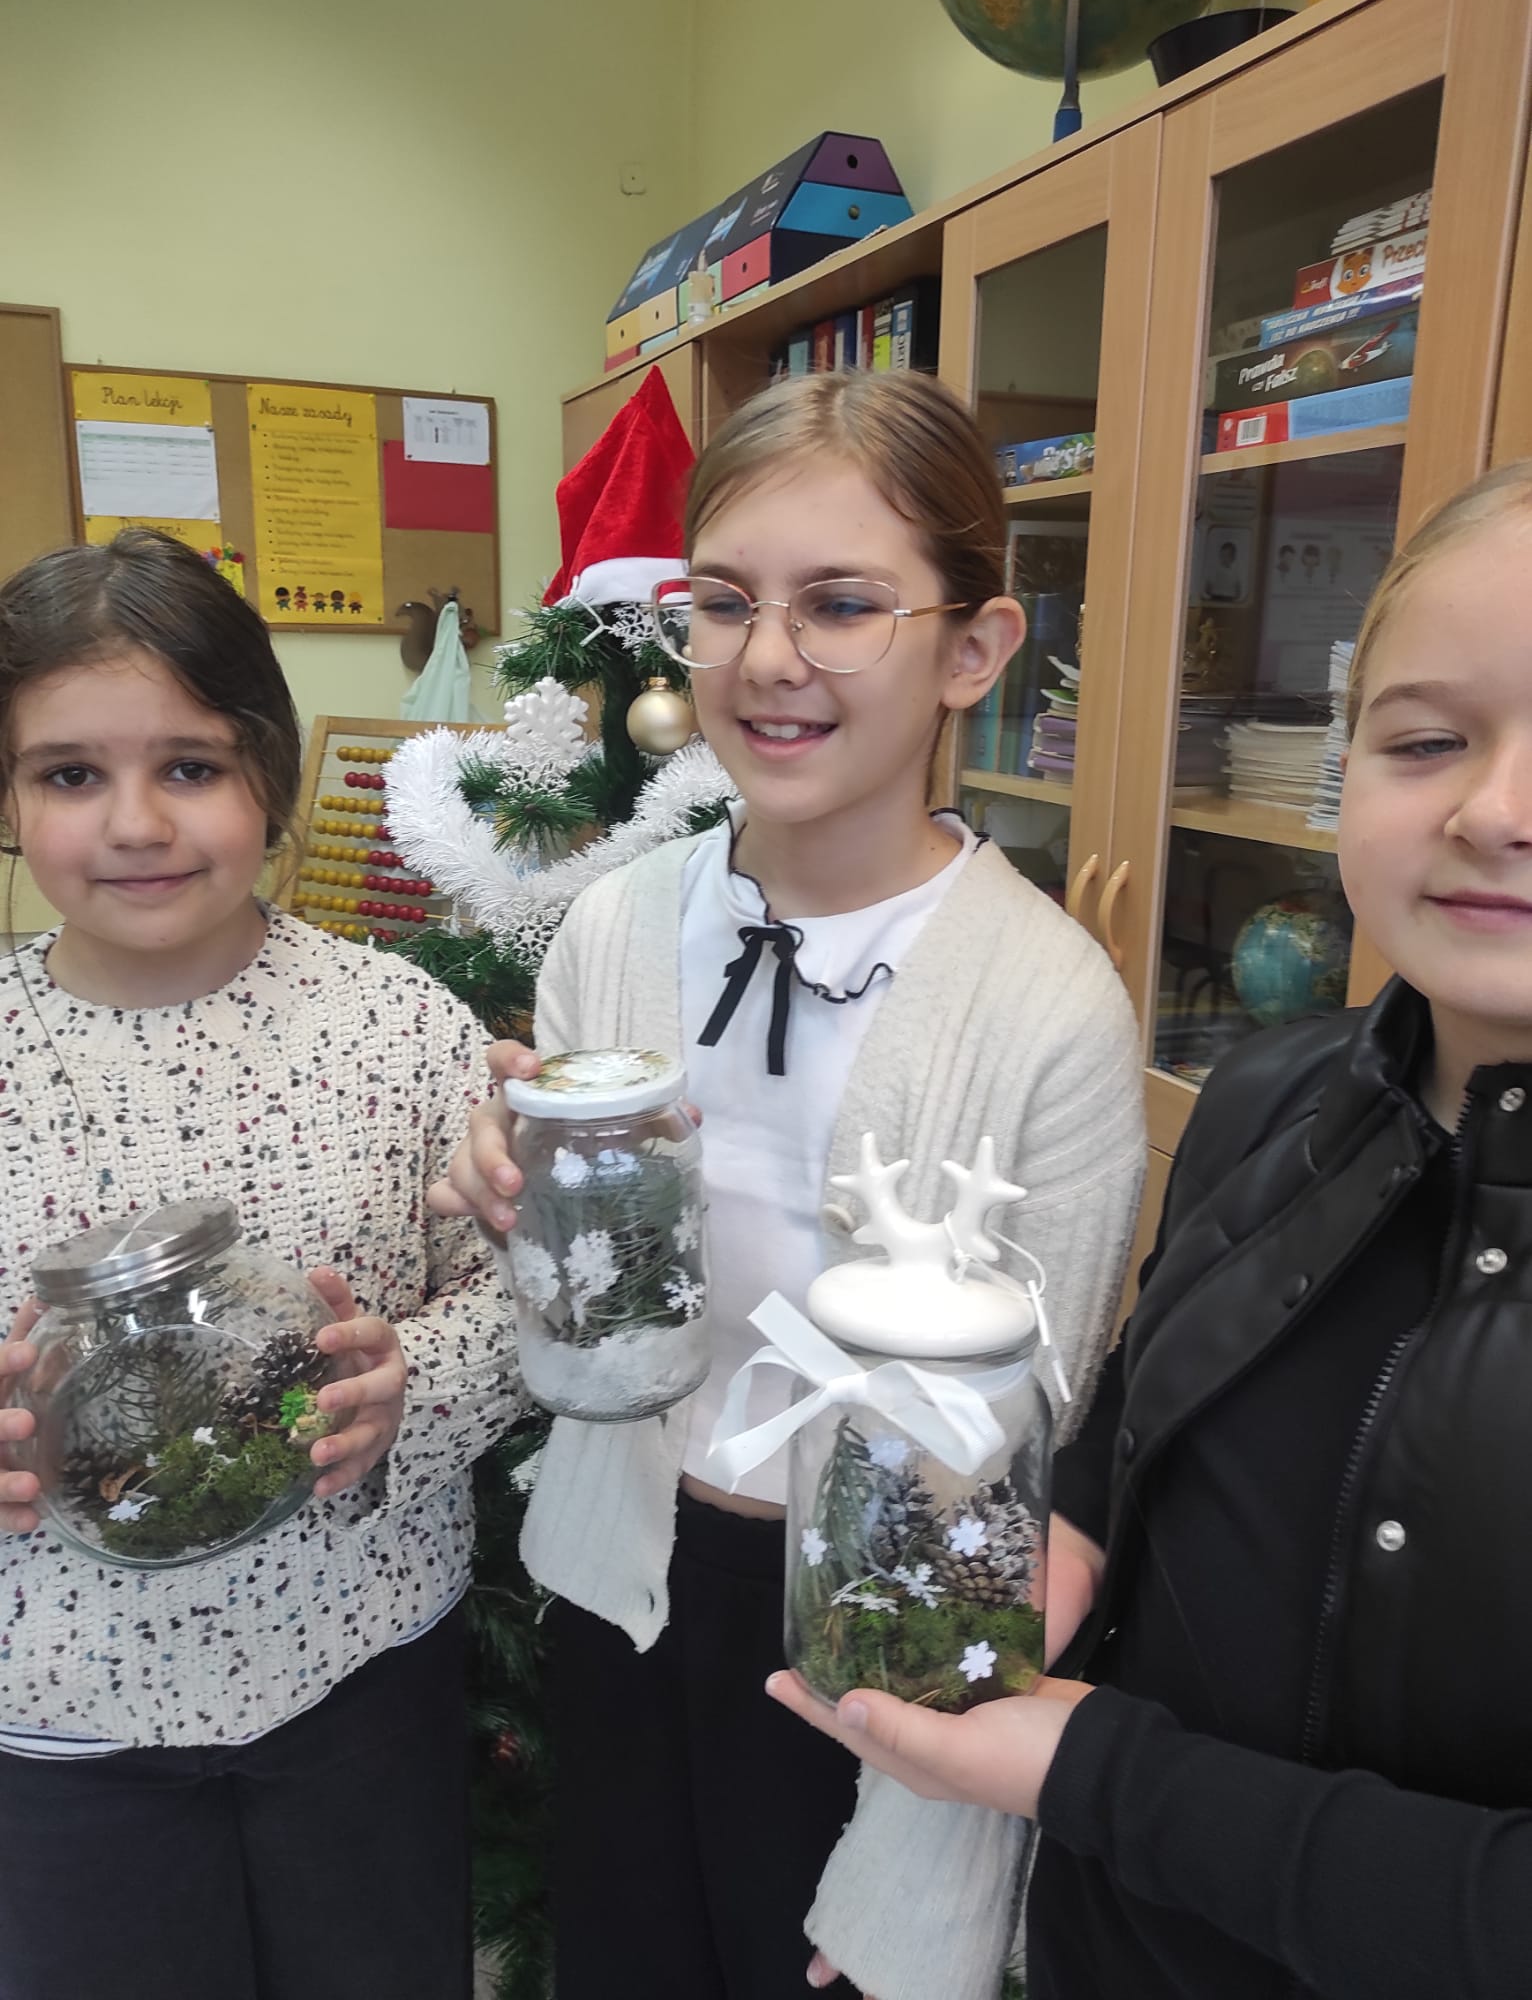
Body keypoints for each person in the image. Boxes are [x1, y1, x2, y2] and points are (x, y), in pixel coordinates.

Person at [769, 459, 1532, 2000]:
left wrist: (1095, 1774)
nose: (1495, 811)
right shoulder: (1270, 1096)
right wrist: (1034, 1576)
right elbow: (1137, 1426)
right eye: (1427, 741)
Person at [432, 369, 1146, 2000]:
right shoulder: (619, 928)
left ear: (972, 649)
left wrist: (921, 1846)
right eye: (725, 603)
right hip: (626, 1570)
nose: (768, 658)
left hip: (871, 1632)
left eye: (840, 604)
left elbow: (1024, 1450)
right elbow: (590, 1289)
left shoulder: (1046, 1006)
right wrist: (518, 1188)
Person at [0, 530, 520, 2000]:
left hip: (360, 1673)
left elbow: (520, 1296)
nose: (136, 824)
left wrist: (418, 1381)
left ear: (270, 777)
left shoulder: (397, 1026)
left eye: (191, 765)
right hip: (60, 1716)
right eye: (69, 774)